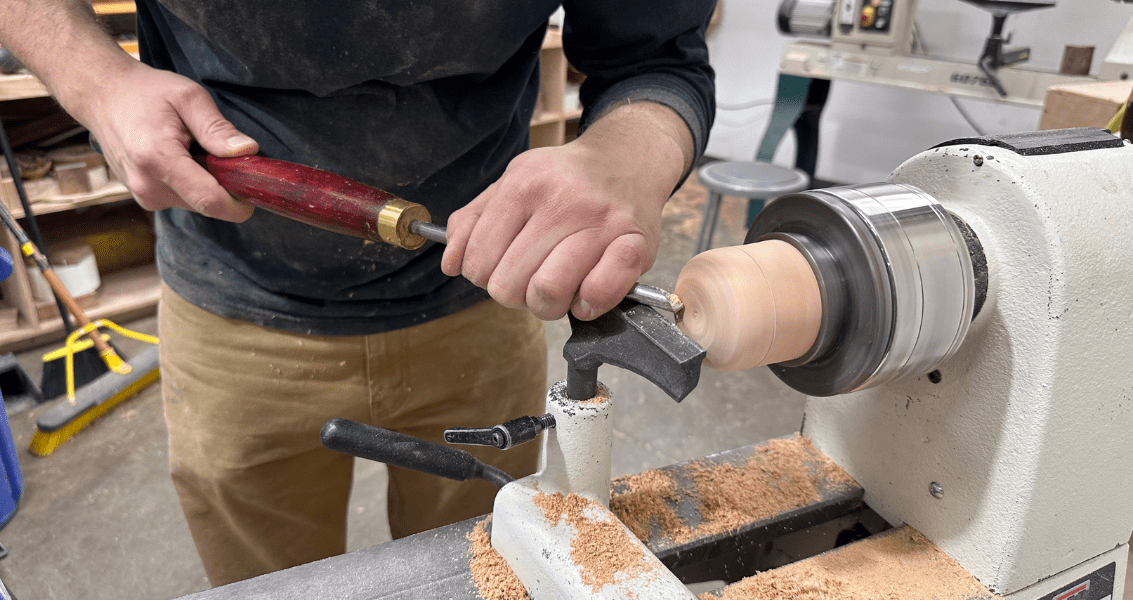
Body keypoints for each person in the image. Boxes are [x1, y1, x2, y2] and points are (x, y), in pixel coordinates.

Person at [0, 0, 716, 586]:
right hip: (233, 307)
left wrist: (627, 153)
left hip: (476, 301)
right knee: (272, 585)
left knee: (474, 568)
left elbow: (655, 58)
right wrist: (97, 83)